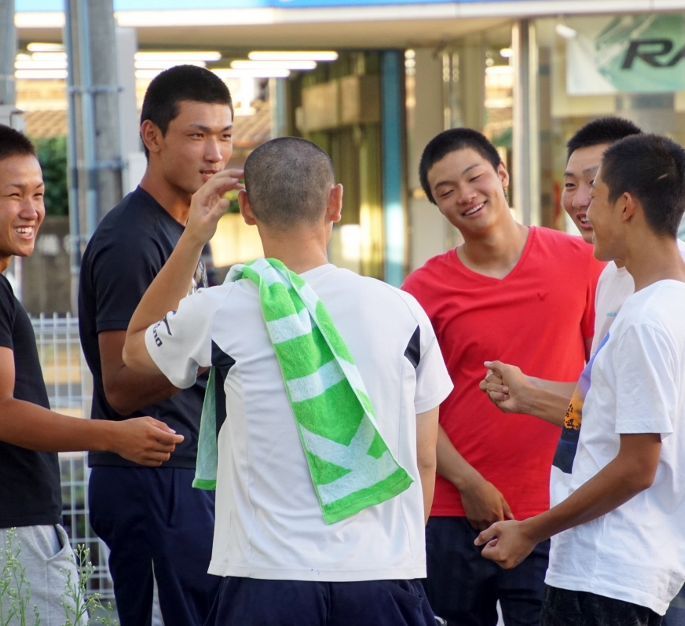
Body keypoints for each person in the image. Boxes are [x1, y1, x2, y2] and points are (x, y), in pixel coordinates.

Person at [122, 137, 453, 626]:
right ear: (335, 202)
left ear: (246, 209)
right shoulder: (403, 311)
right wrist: (391, 553)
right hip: (382, 575)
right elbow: (424, 460)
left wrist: (192, 237)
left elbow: (134, 348)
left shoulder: (222, 308)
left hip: (265, 578)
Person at [480, 116, 685, 626]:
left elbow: (639, 463)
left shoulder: (665, 298)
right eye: (571, 185)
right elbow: (606, 402)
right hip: (616, 547)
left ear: (626, 202)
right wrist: (529, 394)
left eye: (593, 188)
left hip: (624, 553)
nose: (580, 202)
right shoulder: (631, 282)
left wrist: (533, 529)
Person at [0, 123, 180, 626]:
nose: (32, 210)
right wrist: (115, 437)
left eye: (37, 194)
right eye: (14, 195)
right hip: (4, 540)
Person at [400, 128, 604, 626]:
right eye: (447, 191)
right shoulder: (422, 290)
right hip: (451, 513)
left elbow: (600, 384)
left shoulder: (582, 263)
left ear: (502, 174)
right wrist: (468, 482)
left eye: (475, 178)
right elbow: (409, 404)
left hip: (554, 508)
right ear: (437, 205)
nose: (466, 195)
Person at [76, 65, 233, 626]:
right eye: (197, 135)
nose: (215, 153)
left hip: (183, 471)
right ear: (152, 136)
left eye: (225, 135)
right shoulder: (132, 239)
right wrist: (212, 356)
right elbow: (120, 387)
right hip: (150, 475)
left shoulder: (188, 231)